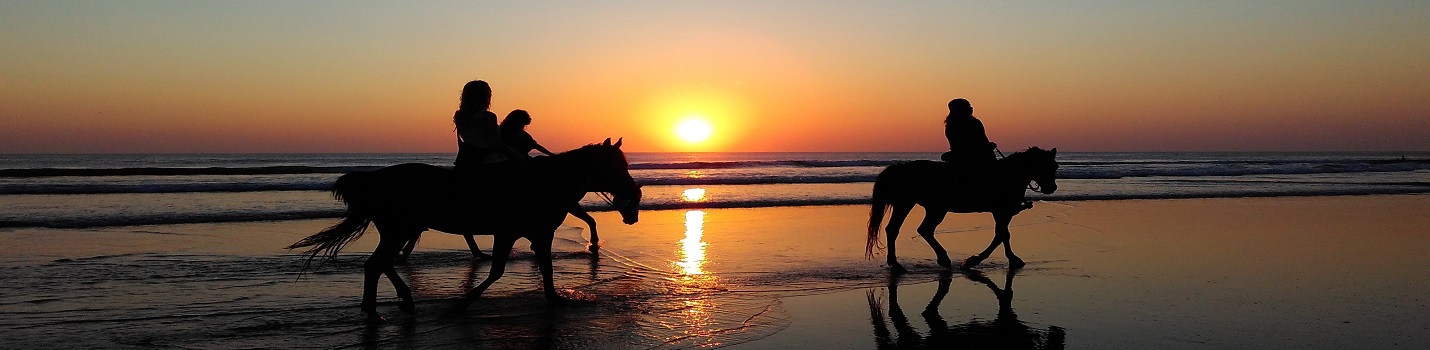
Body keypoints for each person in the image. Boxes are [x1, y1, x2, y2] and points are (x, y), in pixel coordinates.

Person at [452, 80, 522, 181]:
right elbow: (497, 145)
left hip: (467, 162)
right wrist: (517, 155)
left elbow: (461, 142)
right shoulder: (488, 116)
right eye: (488, 95)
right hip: (491, 161)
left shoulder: (459, 115)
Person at [941, 98, 997, 178]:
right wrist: (990, 146)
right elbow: (981, 141)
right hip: (973, 157)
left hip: (957, 156)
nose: (971, 108)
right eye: (968, 106)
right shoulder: (974, 122)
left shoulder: (950, 124)